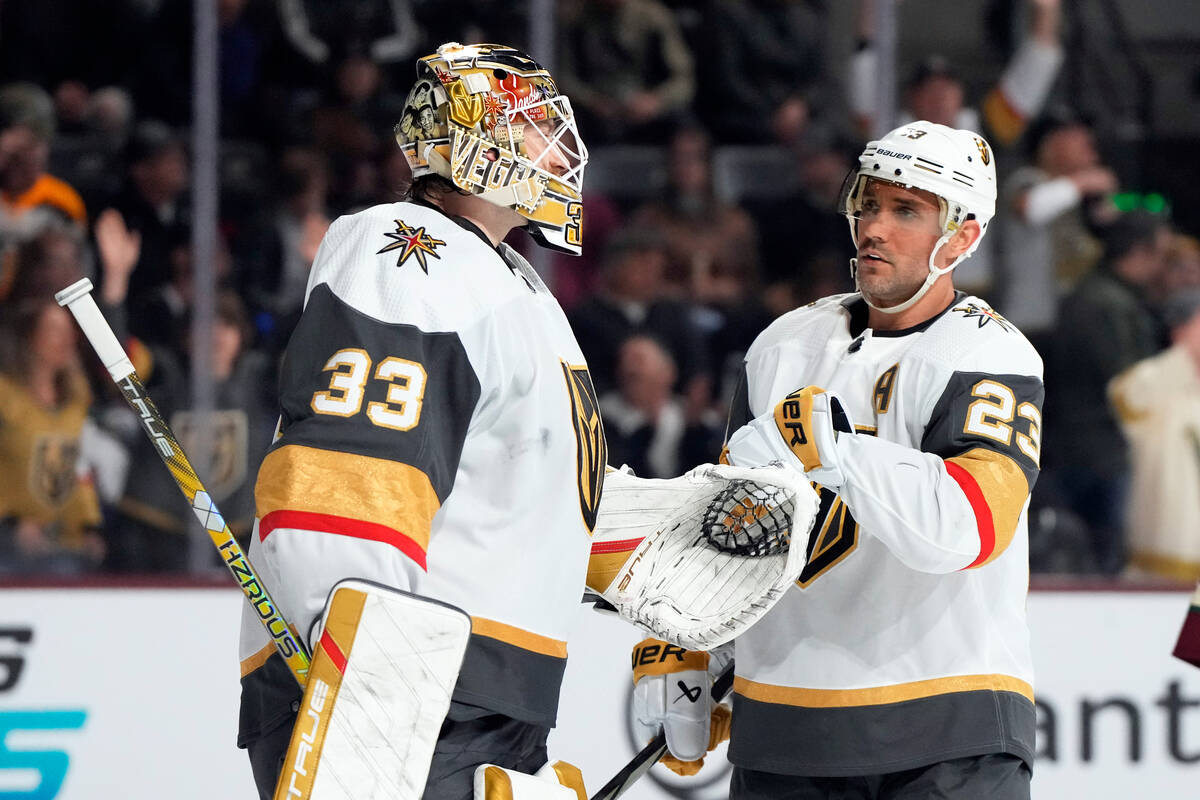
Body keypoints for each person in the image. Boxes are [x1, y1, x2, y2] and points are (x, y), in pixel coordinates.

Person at [632, 122, 1043, 798]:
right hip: (786, 731)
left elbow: (970, 526)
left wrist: (834, 451)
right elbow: (723, 523)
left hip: (950, 737)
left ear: (962, 238)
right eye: (870, 203)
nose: (874, 227)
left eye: (906, 210)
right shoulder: (782, 347)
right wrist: (680, 647)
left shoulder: (990, 355)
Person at [236, 43, 601, 800]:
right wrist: (360, 683)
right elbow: (345, 477)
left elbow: (529, 484)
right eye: (533, 126)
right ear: (476, 142)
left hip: (469, 695)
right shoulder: (413, 252)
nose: (554, 147)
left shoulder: (511, 282)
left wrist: (665, 538)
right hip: (400, 691)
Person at [1109, 288, 1200, 581]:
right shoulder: (1153, 382)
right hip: (1163, 567)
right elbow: (1127, 397)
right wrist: (1187, 354)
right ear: (1181, 329)